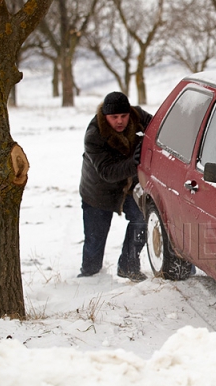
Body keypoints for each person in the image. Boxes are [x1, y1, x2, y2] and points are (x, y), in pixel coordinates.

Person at [77, 91, 152, 281]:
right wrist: (135, 162)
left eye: (123, 116)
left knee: (140, 220)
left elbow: (160, 128)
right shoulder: (94, 134)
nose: (120, 121)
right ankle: (89, 278)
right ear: (105, 116)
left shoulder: (138, 116)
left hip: (128, 187)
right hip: (98, 192)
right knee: (95, 241)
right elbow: (107, 172)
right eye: (114, 117)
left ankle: (129, 266)